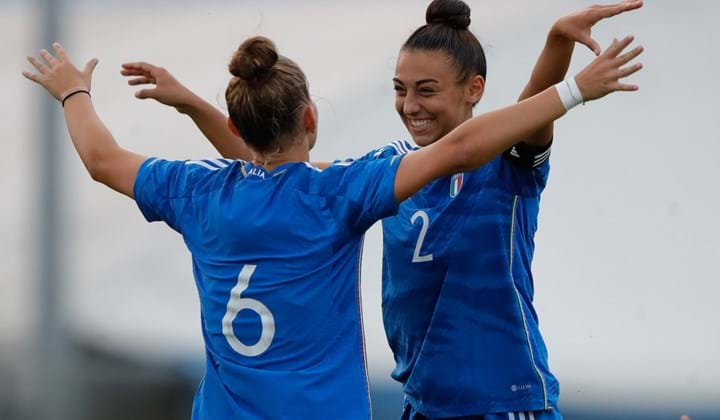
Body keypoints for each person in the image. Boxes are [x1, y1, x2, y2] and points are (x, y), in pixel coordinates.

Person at [23, 29, 641, 420]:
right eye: (401, 89)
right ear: (312, 117)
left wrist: (76, 92)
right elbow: (450, 151)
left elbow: (105, 160)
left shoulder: (199, 193)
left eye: (424, 89)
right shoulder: (340, 191)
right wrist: (575, 90)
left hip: (499, 401)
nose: (410, 105)